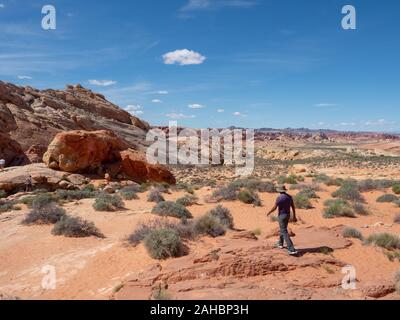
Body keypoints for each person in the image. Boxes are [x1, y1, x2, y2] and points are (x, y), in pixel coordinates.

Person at [267, 185, 298, 255]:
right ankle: (280, 244)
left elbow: (275, 207)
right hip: (288, 215)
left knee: (284, 231)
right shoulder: (289, 197)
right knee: (282, 229)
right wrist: (294, 216)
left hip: (282, 216)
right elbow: (293, 207)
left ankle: (291, 249)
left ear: (279, 191)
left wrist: (269, 212)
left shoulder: (280, 198)